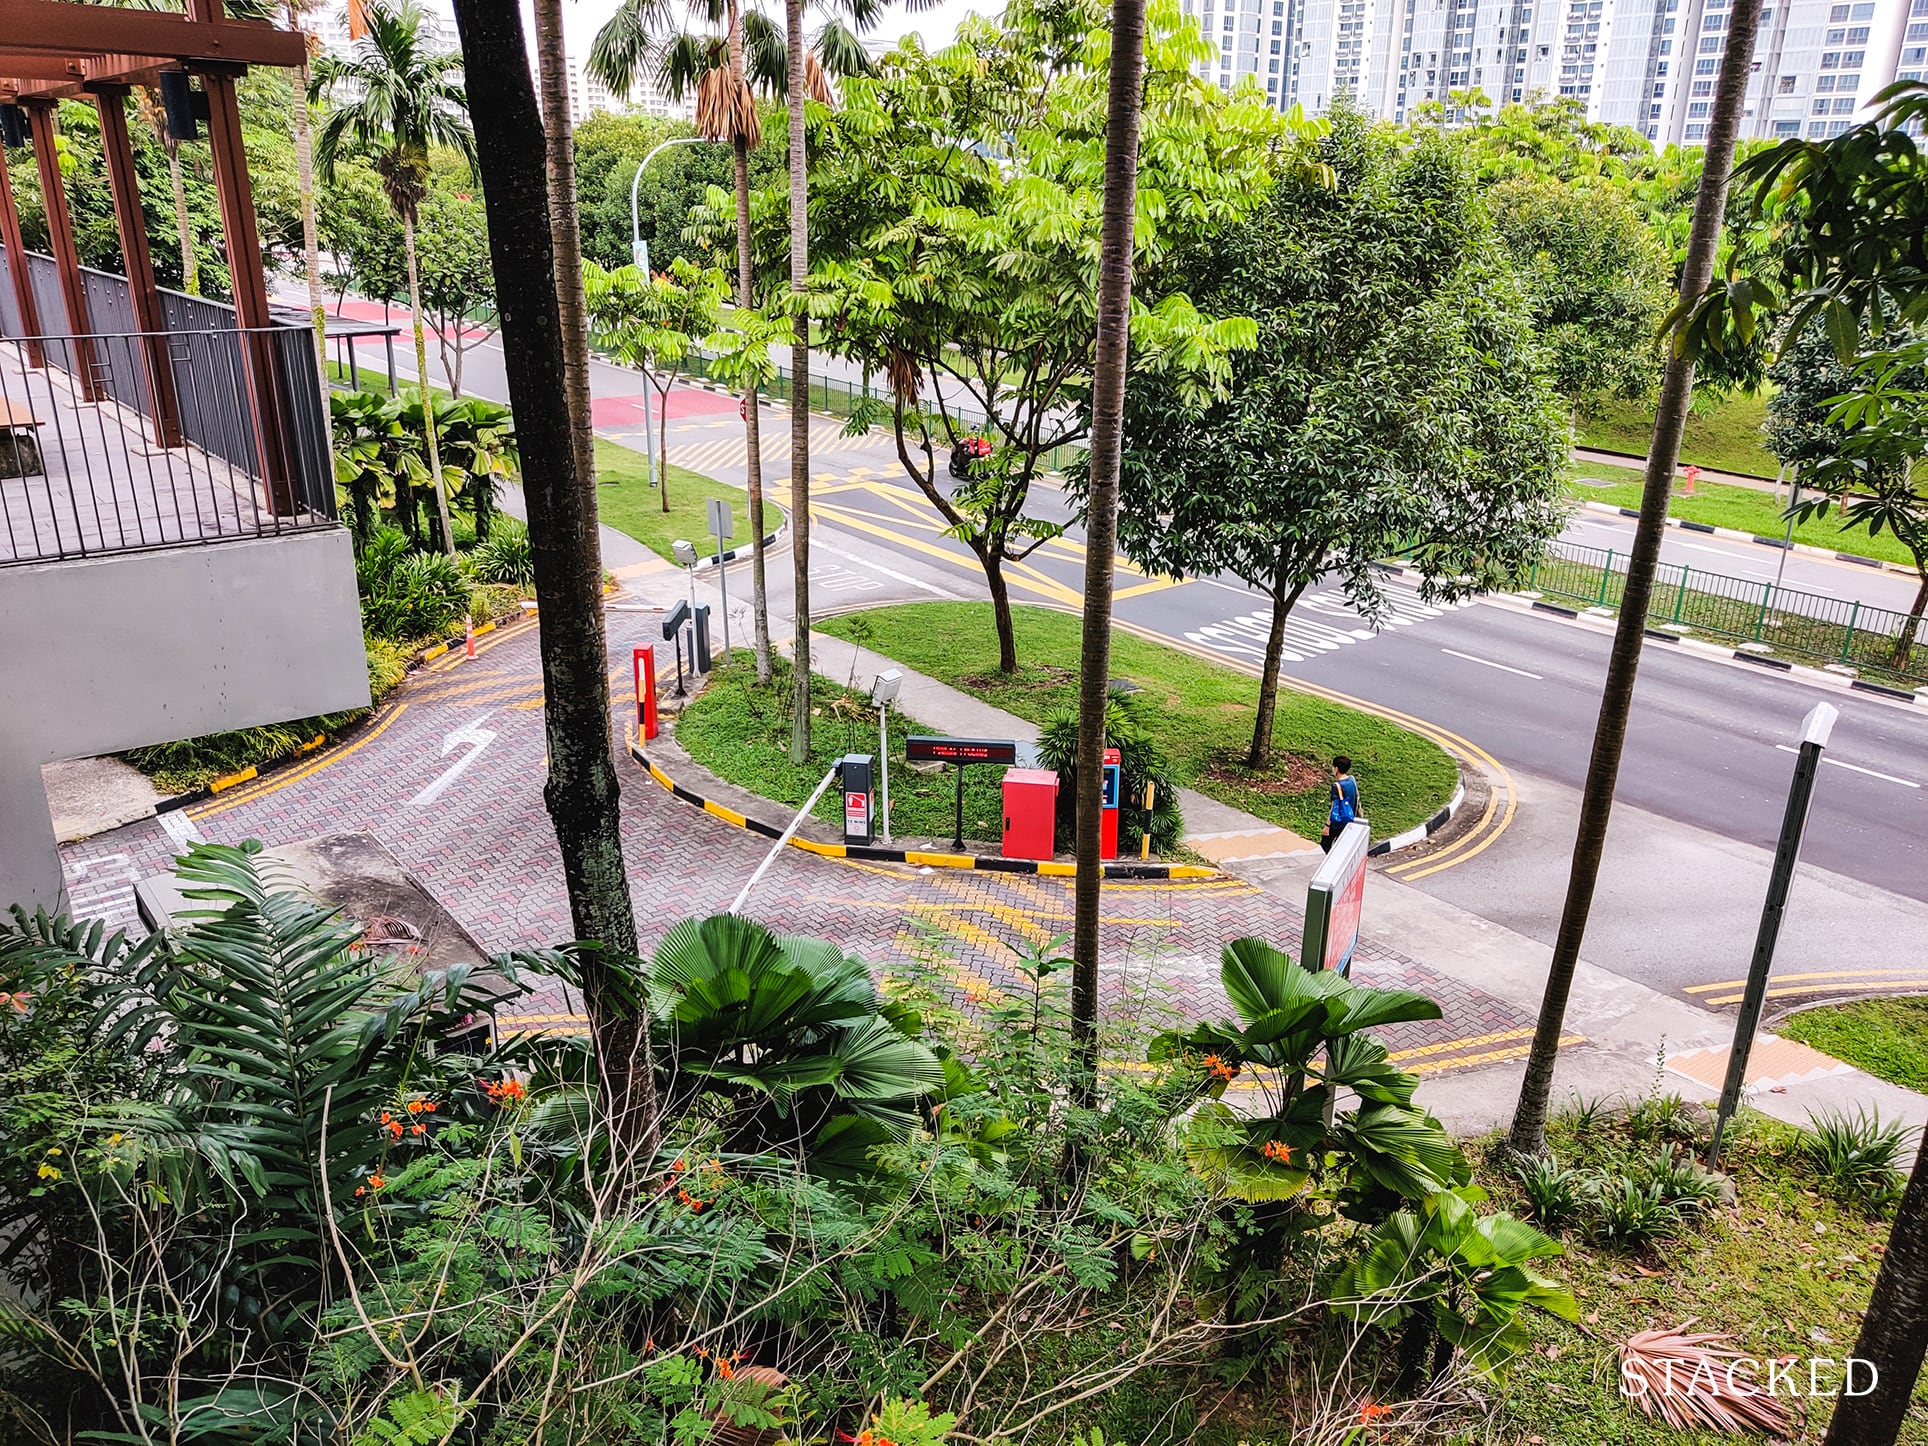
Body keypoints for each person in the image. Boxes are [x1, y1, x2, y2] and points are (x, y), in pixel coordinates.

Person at [1321, 755, 1361, 854]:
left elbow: (1334, 807)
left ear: (1336, 769)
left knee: (1325, 842)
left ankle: (1333, 861)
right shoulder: (1352, 780)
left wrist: (1327, 826)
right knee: (1341, 843)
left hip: (1338, 822)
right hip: (1349, 818)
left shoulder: (1337, 786)